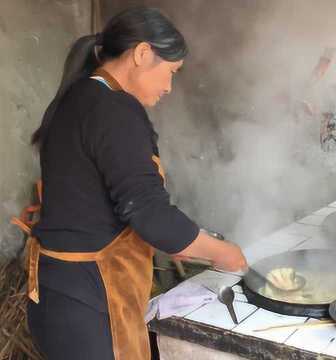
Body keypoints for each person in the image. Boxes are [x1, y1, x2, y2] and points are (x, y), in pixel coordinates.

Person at [18, 7, 247, 360]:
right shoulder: (115, 109)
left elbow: (98, 201)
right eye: (171, 72)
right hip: (89, 301)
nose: (169, 87)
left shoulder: (77, 96)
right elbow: (149, 212)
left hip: (57, 295)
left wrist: (176, 241)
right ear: (142, 54)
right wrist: (226, 254)